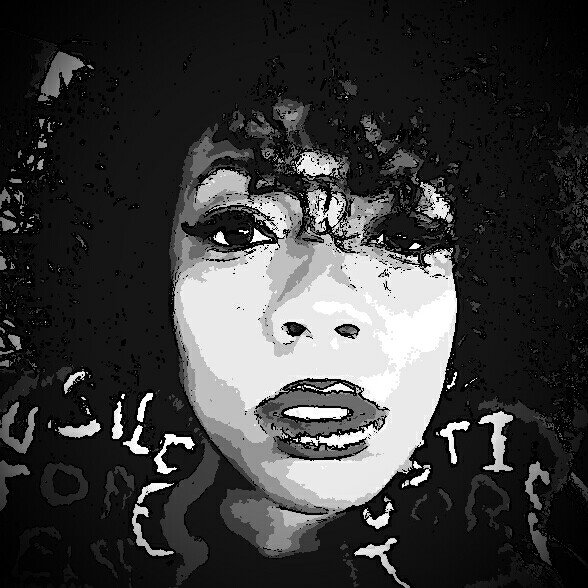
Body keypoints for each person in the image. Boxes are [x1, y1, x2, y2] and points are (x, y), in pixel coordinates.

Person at [1, 2, 587, 586]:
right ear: (145, 269)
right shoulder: (27, 466)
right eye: (238, 233)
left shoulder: (548, 515)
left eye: (406, 239)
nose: (321, 305)